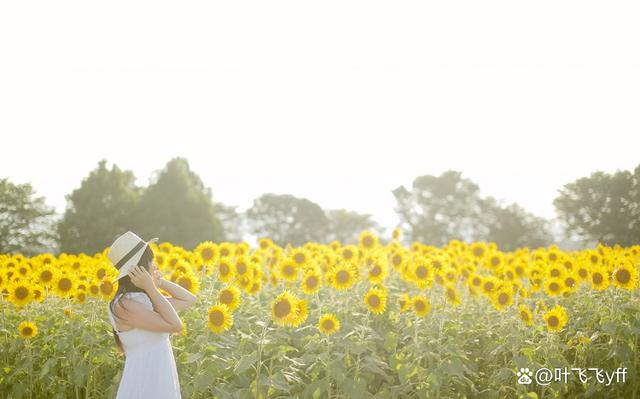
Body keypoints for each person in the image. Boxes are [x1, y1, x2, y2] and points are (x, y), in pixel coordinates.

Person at [106, 231, 197, 399]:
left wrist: (159, 283)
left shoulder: (145, 298)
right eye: (150, 261)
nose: (154, 265)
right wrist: (151, 288)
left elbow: (189, 299)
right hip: (143, 382)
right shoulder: (123, 304)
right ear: (139, 268)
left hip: (159, 379)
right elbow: (175, 325)